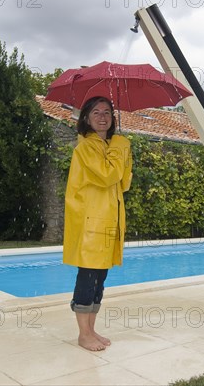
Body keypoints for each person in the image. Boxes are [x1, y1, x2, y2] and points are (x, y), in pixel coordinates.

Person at [63, 96, 132, 351]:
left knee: (99, 277)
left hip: (108, 221)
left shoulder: (110, 146)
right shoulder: (86, 148)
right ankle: (83, 334)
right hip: (91, 221)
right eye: (96, 112)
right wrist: (121, 146)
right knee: (88, 275)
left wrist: (121, 149)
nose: (103, 117)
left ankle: (91, 330)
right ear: (86, 119)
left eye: (107, 112)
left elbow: (123, 183)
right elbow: (107, 176)